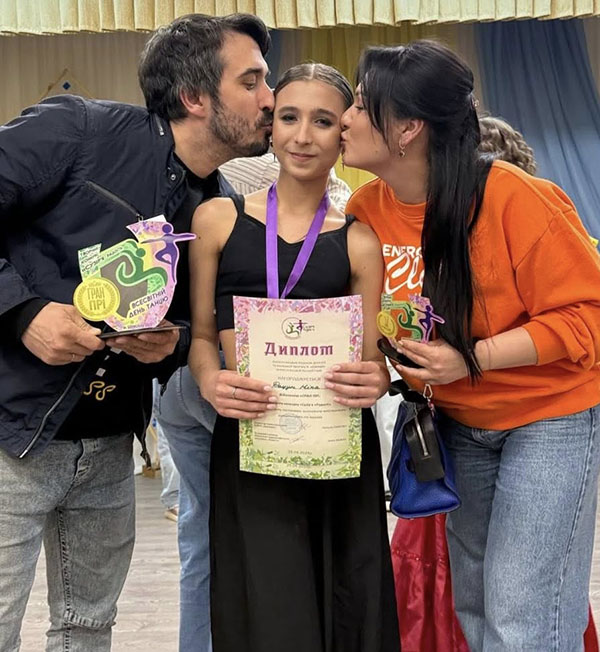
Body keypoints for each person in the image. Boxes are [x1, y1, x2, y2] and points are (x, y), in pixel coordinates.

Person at [0, 12, 274, 651]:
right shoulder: (78, 130)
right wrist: (23, 312)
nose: (270, 99)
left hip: (106, 447)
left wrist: (168, 345)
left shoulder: (217, 208)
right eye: (252, 81)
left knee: (87, 630)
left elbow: (188, 329)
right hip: (10, 432)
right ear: (195, 96)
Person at [342, 40, 600, 650]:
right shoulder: (366, 209)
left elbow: (588, 316)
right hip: (458, 424)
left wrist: (471, 359)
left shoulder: (513, 196)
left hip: (549, 417)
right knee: (476, 608)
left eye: (358, 104)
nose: (345, 118)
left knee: (522, 614)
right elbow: (378, 327)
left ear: (407, 128)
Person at [188, 62, 400, 652]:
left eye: (323, 121)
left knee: (346, 604)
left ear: (343, 135)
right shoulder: (217, 220)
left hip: (336, 446)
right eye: (289, 117)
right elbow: (200, 336)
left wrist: (377, 379)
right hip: (251, 439)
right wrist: (209, 381)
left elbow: (371, 361)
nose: (303, 136)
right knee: (266, 606)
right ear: (271, 126)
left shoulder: (360, 240)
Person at [153, 141, 353, 651]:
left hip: (193, 379)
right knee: (267, 535)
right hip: (240, 384)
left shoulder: (224, 178)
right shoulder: (318, 198)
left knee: (205, 532)